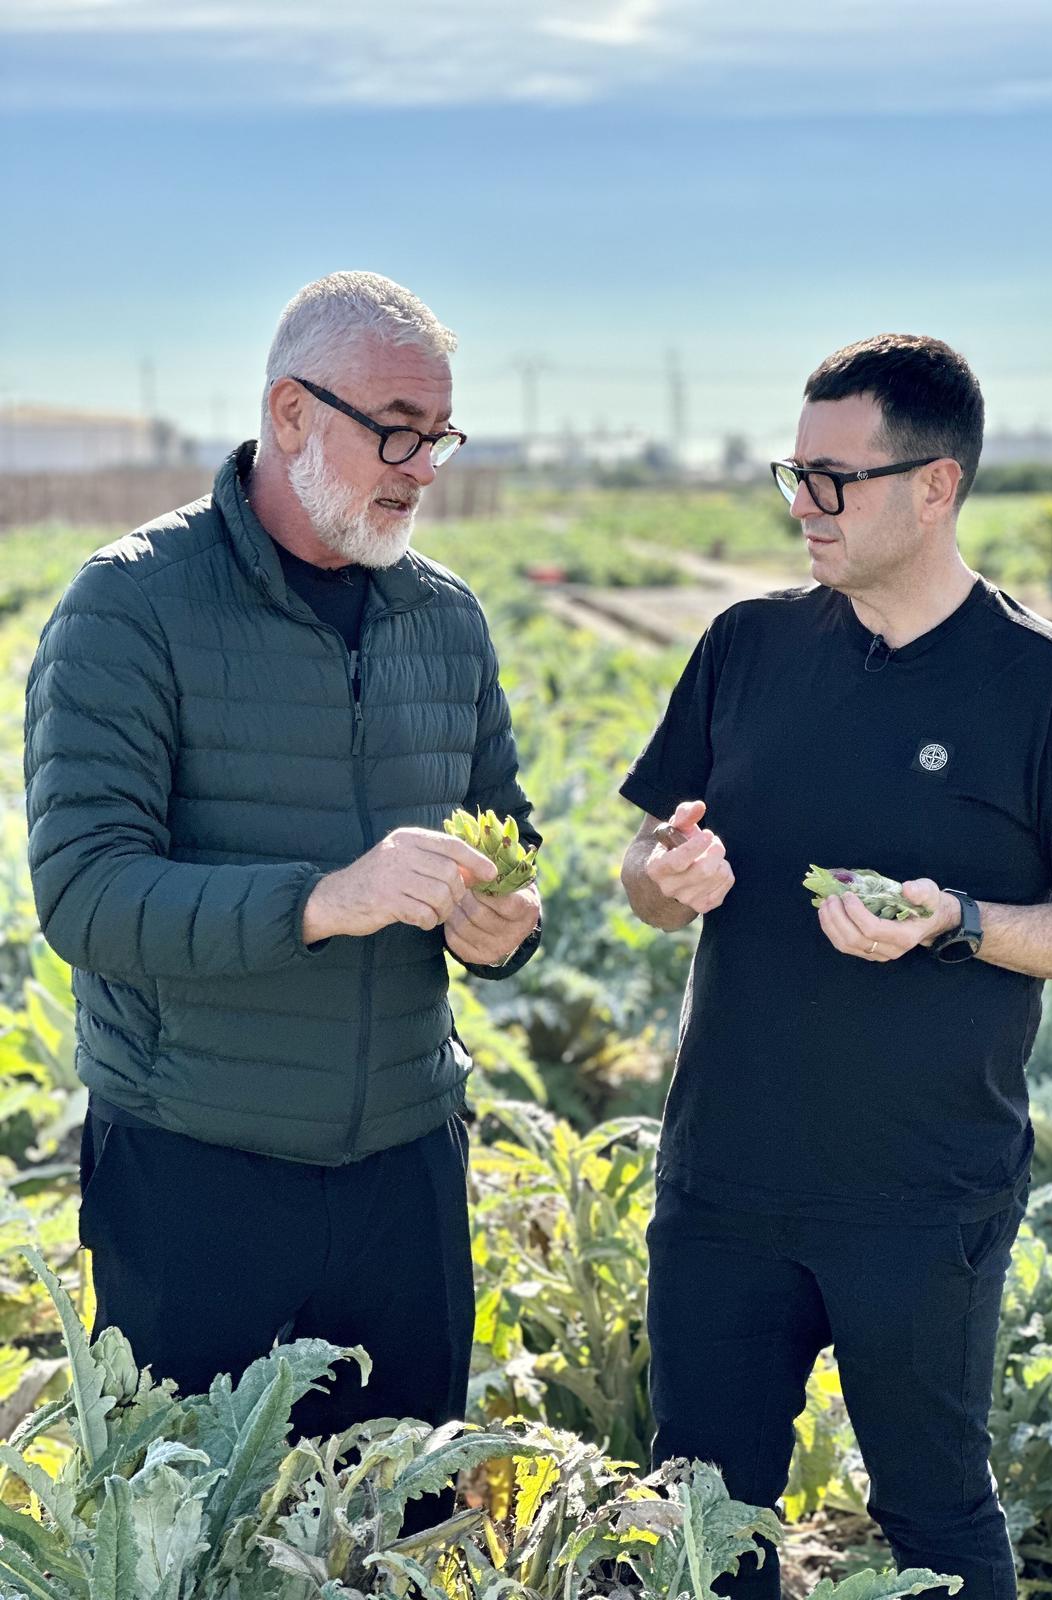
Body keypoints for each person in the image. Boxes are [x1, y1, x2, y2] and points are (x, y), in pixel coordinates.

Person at [618, 333, 1052, 1600]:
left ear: (937, 486)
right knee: (702, 1523)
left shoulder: (1045, 686)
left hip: (922, 1201)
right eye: (793, 473)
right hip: (723, 1188)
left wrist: (961, 918)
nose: (803, 505)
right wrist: (662, 878)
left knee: (936, 1519)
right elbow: (648, 859)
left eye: (834, 479)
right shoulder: (745, 646)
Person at [24, 272, 541, 1485]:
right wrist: (322, 900)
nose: (422, 469)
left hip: (407, 1167)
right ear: (291, 414)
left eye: (441, 438)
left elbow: (506, 827)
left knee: (400, 1520)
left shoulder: (445, 622)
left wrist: (501, 925)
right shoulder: (130, 606)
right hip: (200, 1170)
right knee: (205, 1529)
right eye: (398, 432)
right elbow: (85, 896)